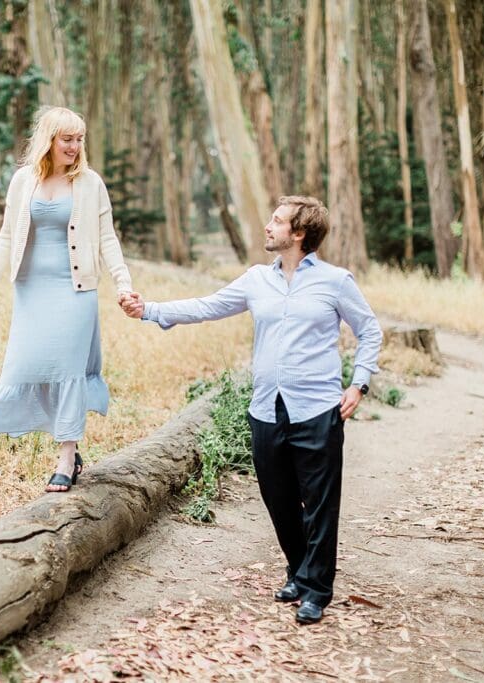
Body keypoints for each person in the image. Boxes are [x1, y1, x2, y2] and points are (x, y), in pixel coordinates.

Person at [120, 195, 381, 624]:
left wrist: (359, 382)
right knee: (278, 498)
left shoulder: (335, 282)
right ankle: (299, 569)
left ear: (299, 233)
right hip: (266, 408)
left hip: (317, 408)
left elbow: (370, 330)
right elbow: (207, 306)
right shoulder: (257, 279)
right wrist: (149, 310)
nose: (268, 226)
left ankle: (316, 588)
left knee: (319, 503)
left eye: (277, 222)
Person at [0, 106, 133, 493]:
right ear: (49, 140)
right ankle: (59, 443)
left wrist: (123, 284)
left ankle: (66, 455)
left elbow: (107, 238)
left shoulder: (91, 183)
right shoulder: (22, 181)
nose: (75, 147)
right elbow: (7, 236)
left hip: (75, 291)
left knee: (68, 371)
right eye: (67, 139)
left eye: (79, 139)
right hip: (31, 291)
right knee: (24, 367)